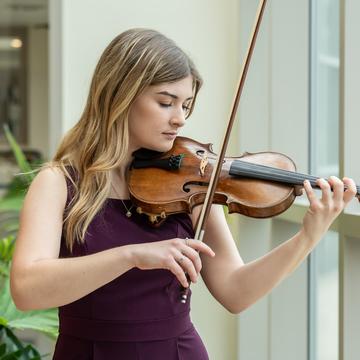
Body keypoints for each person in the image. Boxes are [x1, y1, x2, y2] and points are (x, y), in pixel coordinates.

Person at [10, 28, 356, 360]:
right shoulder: (58, 183)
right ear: (120, 96)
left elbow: (236, 292)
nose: (180, 120)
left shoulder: (193, 183)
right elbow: (26, 289)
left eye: (186, 105)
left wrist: (308, 236)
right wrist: (132, 255)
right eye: (166, 102)